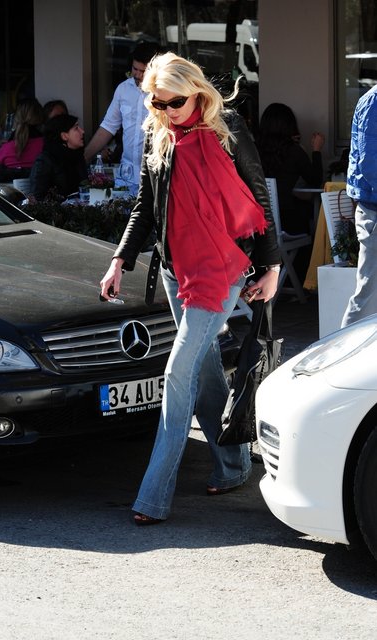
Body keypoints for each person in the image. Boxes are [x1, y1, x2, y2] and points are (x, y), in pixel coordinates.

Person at [100, 52, 280, 525]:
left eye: (173, 103)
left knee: (178, 371)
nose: (164, 111)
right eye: (156, 103)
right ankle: (234, 464)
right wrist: (120, 260)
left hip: (223, 268)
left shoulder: (228, 128)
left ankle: (154, 496)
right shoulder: (158, 133)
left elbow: (259, 195)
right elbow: (145, 204)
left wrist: (273, 266)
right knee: (203, 369)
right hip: (175, 268)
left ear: (196, 93)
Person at [84, 41, 160, 194]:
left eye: (143, 71)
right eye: (134, 69)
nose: (137, 75)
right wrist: (84, 157)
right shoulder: (123, 89)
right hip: (127, 174)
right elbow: (108, 126)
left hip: (155, 175)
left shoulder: (163, 93)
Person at [256, 102, 325, 235]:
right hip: (287, 222)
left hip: (257, 222)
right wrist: (316, 150)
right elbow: (315, 180)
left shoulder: (254, 150)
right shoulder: (293, 151)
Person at [341, 85, 377, 327]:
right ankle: (342, 349)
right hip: (375, 210)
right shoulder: (374, 100)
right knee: (368, 299)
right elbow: (370, 164)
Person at [29, 113, 87, 201]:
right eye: (76, 128)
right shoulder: (45, 160)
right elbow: (37, 197)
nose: (82, 131)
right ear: (64, 136)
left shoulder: (77, 156)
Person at [0, 98, 44, 184]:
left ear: (16, 119)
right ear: (41, 118)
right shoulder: (47, 147)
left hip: (9, 192)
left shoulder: (4, 149)